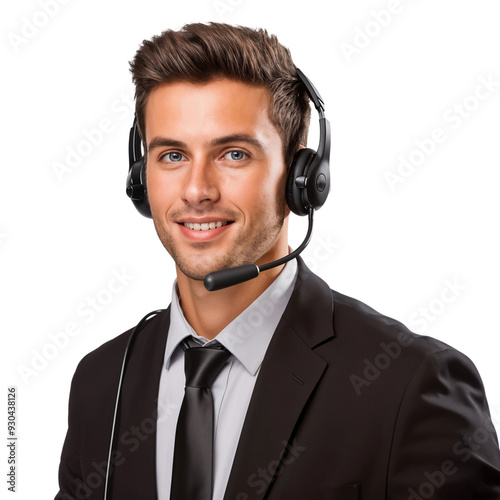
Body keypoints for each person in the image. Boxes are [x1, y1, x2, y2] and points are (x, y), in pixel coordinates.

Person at [55, 22, 500, 500]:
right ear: (141, 180)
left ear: (303, 180)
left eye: (233, 153)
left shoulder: (411, 385)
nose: (197, 190)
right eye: (172, 155)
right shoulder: (102, 382)